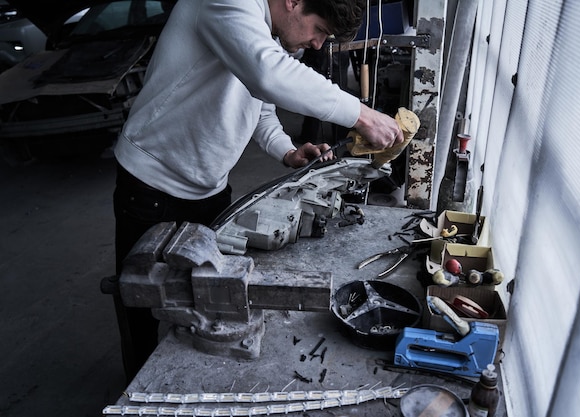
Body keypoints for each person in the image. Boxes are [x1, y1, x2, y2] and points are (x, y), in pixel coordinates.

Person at [112, 0, 404, 382]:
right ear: (294, 2)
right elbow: (267, 75)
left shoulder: (264, 31)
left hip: (210, 187)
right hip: (151, 181)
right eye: (318, 29)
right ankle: (139, 394)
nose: (317, 44)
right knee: (143, 300)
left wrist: (286, 150)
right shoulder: (226, 3)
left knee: (205, 299)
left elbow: (260, 104)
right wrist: (362, 114)